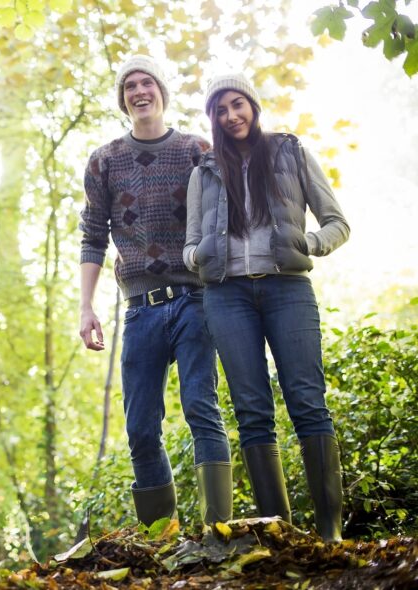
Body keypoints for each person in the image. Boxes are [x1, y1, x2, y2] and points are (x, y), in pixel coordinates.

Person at [183, 74, 350, 542]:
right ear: (213, 119)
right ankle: (281, 534)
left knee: (307, 401)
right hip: (226, 296)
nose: (232, 116)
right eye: (221, 110)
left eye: (238, 105)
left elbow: (337, 222)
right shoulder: (205, 170)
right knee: (252, 410)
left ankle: (329, 531)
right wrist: (195, 257)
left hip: (287, 291)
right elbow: (190, 242)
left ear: (253, 106)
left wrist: (311, 242)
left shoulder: (290, 152)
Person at [79, 55, 232, 528]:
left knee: (200, 407)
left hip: (195, 300)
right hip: (140, 310)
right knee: (140, 426)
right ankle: (161, 538)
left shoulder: (195, 150)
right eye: (130, 87)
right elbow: (91, 235)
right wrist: (86, 307)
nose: (139, 91)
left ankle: (217, 531)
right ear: (123, 100)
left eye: (148, 83)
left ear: (162, 93)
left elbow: (224, 217)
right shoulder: (104, 160)